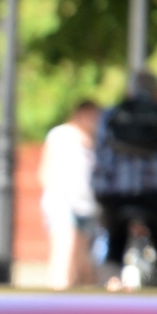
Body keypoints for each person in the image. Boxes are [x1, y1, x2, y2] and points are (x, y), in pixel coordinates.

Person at [92, 71, 157, 288]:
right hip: (155, 194)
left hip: (116, 194)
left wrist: (99, 192)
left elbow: (100, 156)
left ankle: (112, 286)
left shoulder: (111, 114)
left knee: (113, 250)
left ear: (129, 90)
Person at [40, 100, 101, 286]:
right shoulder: (61, 135)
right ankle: (57, 306)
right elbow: (45, 171)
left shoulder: (96, 140)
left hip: (88, 207)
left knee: (84, 263)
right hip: (64, 203)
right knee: (64, 254)